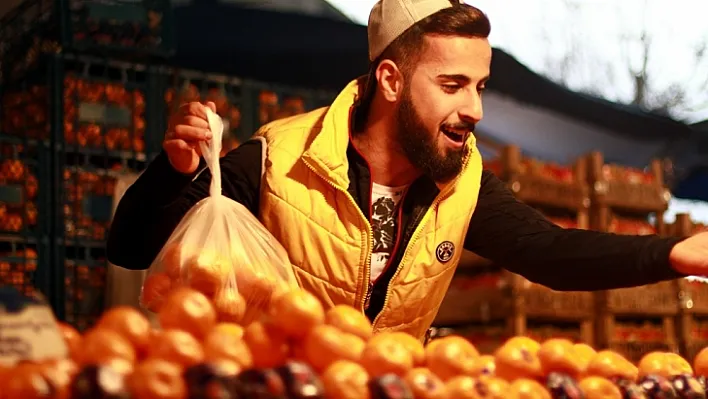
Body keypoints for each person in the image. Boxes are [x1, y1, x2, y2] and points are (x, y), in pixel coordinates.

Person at [108, 0, 708, 340]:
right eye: (452, 85)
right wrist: (174, 171)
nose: (473, 109)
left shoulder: (462, 179)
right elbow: (133, 250)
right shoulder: (279, 158)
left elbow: (550, 253)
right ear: (391, 80)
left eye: (479, 87)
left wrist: (674, 255)